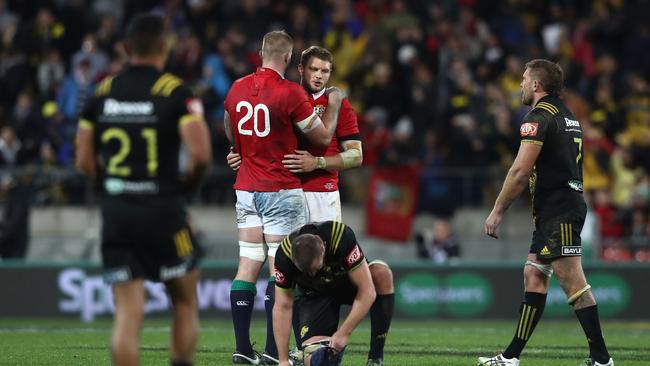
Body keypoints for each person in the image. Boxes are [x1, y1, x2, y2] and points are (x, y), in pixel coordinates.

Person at [75, 14, 211, 366]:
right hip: (164, 210)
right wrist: (185, 189)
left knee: (128, 311)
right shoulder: (175, 91)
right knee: (183, 299)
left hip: (118, 213)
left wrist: (108, 190)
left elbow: (84, 161)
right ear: (164, 48)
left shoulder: (102, 92)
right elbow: (199, 156)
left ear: (125, 48)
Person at [226, 45, 366, 357]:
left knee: (318, 272)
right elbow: (254, 131)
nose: (319, 76)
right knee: (283, 271)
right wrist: (240, 152)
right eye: (314, 70)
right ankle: (279, 349)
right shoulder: (286, 96)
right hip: (284, 192)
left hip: (321, 195)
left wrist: (316, 163)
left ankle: (312, 342)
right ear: (300, 69)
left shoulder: (338, 105)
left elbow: (357, 155)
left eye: (325, 72)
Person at [478, 59, 613, 366]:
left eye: (524, 80)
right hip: (558, 207)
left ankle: (602, 360)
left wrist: (498, 210)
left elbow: (520, 171)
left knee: (574, 284)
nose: (521, 85)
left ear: (537, 85)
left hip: (560, 209)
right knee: (534, 274)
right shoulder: (567, 115)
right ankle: (511, 357)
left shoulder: (537, 117)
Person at [273, 221, 394, 366]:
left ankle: (375, 358)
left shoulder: (340, 236)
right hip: (316, 295)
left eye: (316, 269)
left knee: (381, 274)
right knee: (317, 359)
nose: (313, 274)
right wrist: (283, 360)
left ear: (323, 248)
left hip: (347, 283)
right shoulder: (283, 256)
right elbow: (282, 306)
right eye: (307, 272)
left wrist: (344, 333)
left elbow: (367, 290)